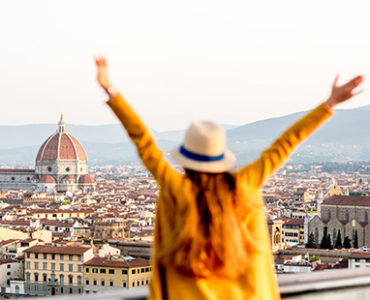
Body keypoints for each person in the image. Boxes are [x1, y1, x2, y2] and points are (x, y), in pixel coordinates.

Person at [95, 55, 363, 299]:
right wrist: (329, 104)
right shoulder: (244, 186)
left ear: (186, 161)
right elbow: (284, 145)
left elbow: (144, 142)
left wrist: (111, 91)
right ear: (220, 158)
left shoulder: (177, 188)